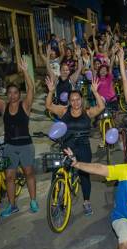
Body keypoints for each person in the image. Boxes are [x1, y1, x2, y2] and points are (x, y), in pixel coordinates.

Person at [0, 59, 38, 217]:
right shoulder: (3, 106)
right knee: (9, 176)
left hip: (25, 145)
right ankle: (12, 205)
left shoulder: (25, 105)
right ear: (6, 95)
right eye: (10, 93)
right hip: (9, 147)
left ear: (19, 94)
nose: (13, 95)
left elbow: (31, 88)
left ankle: (33, 200)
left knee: (29, 173)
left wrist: (25, 71)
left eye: (16, 92)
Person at [45, 76, 105, 215]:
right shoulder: (64, 111)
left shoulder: (88, 112)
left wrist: (95, 92)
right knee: (57, 171)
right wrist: (51, 91)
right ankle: (54, 202)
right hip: (67, 147)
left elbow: (101, 106)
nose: (76, 102)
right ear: (69, 101)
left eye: (78, 99)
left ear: (81, 100)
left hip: (83, 147)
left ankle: (87, 202)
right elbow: (48, 105)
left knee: (84, 174)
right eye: (72, 100)